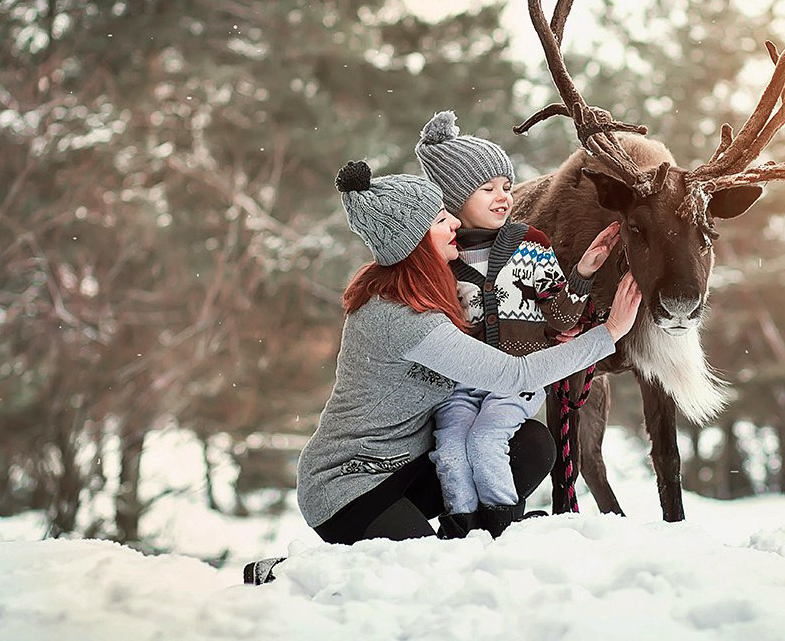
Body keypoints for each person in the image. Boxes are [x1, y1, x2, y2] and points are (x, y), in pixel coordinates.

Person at [245, 160, 641, 585]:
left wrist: (560, 315)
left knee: (530, 445)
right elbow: (512, 374)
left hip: (408, 467)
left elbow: (504, 332)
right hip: (350, 485)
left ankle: (485, 536)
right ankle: (290, 575)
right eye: (439, 218)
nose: (453, 220)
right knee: (425, 576)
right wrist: (610, 332)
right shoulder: (400, 315)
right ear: (413, 240)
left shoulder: (434, 291)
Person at [414, 111, 620, 538]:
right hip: (458, 385)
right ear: (453, 199)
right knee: (450, 451)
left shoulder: (530, 246)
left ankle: (502, 525)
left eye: (506, 187)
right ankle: (462, 529)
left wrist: (582, 272)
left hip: (516, 380)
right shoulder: (439, 261)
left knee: (486, 443)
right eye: (487, 188)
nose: (503, 196)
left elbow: (560, 317)